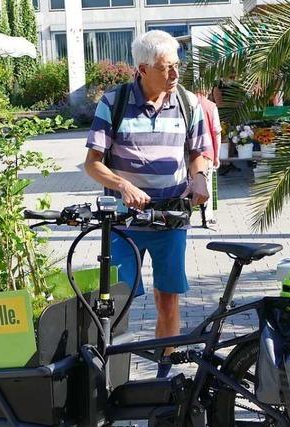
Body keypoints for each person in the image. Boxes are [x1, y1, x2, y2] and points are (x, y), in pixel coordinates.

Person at [84, 30, 210, 378]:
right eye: (166, 67)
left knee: (168, 297)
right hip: (124, 224)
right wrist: (122, 184)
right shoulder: (114, 102)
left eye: (177, 66)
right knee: (118, 301)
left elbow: (198, 153)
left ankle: (165, 373)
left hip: (170, 220)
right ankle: (111, 376)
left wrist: (199, 177)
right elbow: (92, 163)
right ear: (142, 68)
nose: (175, 74)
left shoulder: (188, 102)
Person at [196, 90, 222, 223]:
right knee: (207, 185)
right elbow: (216, 132)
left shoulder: (186, 103)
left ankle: (184, 213)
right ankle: (207, 216)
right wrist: (217, 155)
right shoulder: (211, 106)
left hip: (188, 153)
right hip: (207, 152)